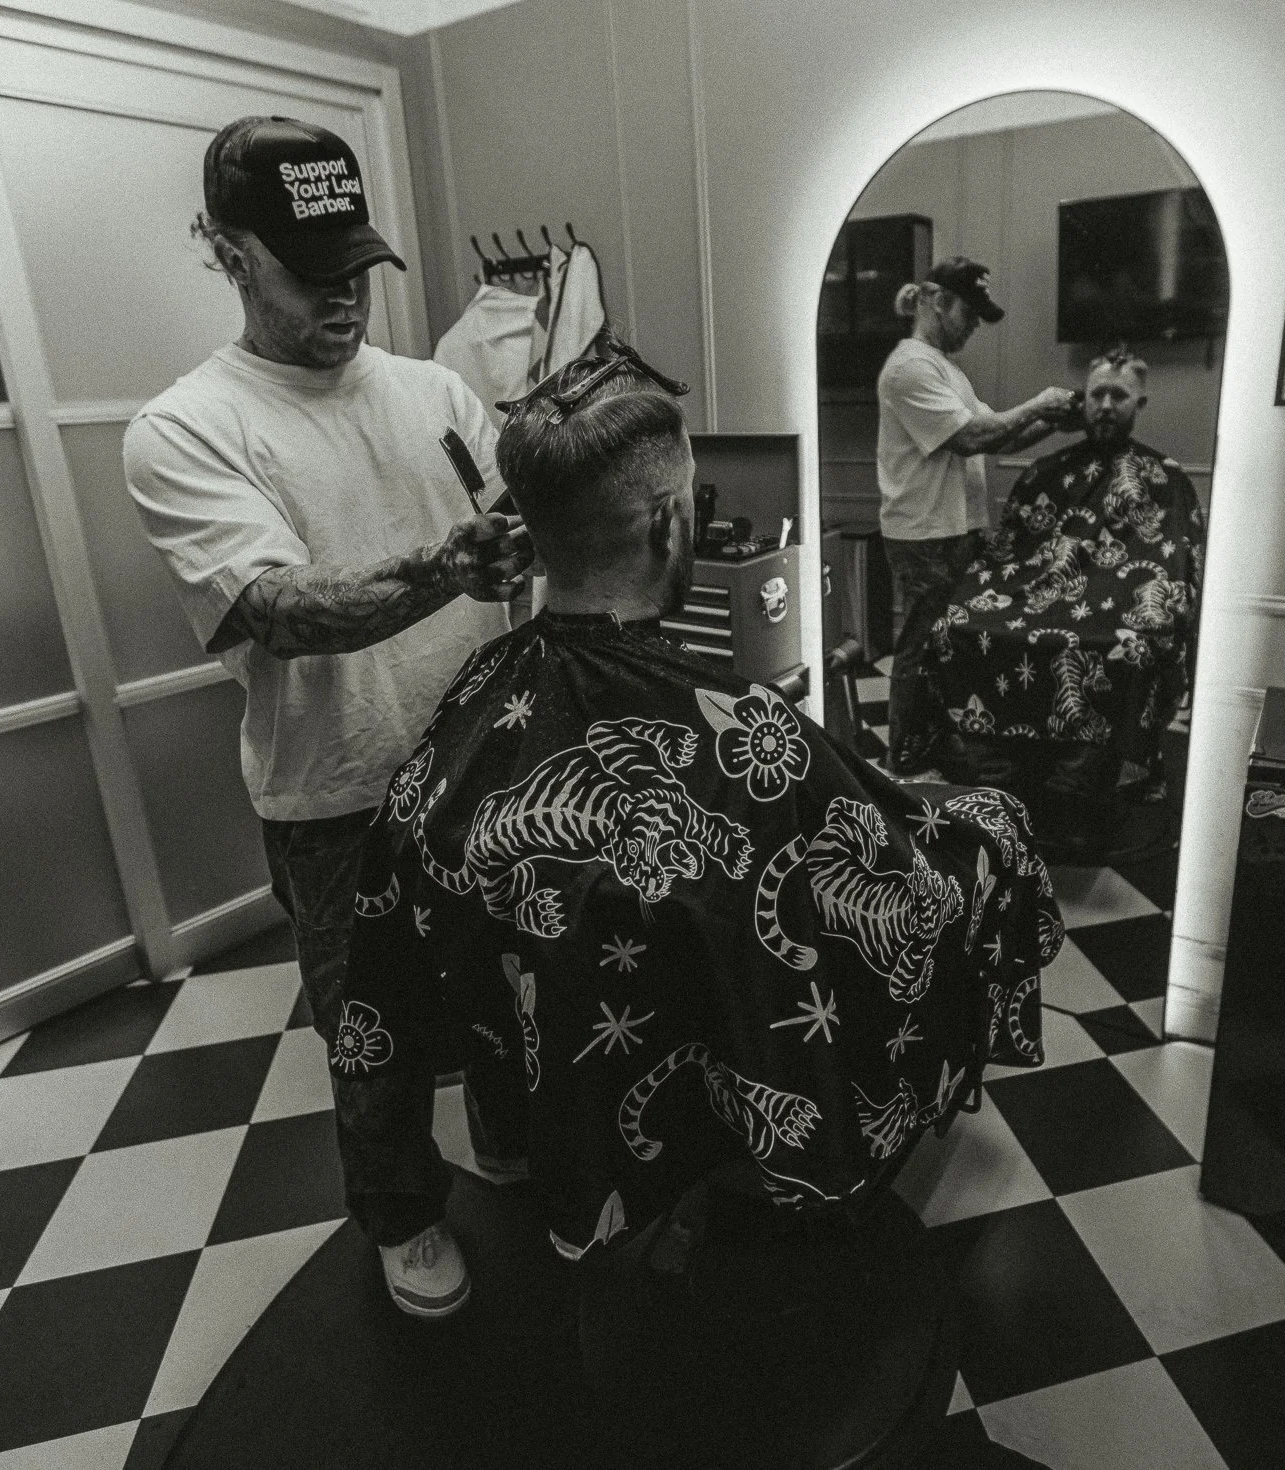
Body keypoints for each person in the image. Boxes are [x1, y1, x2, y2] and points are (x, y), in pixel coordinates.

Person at [335, 330, 1062, 1263]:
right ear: (670, 526)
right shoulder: (737, 728)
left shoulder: (476, 702)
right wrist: (979, 823)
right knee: (988, 831)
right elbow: (875, 876)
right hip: (698, 1024)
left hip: (558, 1038)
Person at [123, 116, 535, 1319]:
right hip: (336, 798)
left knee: (511, 988)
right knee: (376, 1035)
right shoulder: (187, 428)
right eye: (313, 273)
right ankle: (403, 1216)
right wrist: (445, 569)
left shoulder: (438, 390)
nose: (345, 295)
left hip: (482, 769)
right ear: (229, 252)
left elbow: (511, 524)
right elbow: (279, 612)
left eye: (357, 267)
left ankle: (512, 1146)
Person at [927, 346, 1205, 853]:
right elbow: (1007, 550)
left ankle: (1076, 784)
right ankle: (1002, 776)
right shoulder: (1046, 471)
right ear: (1081, 400)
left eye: (1117, 395)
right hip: (1034, 596)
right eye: (1096, 393)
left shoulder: (1166, 477)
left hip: (1118, 608)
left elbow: (1174, 569)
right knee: (956, 626)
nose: (1104, 405)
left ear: (1139, 402)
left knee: (1129, 647)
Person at [875, 257, 1079, 777]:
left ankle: (938, 739)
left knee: (948, 645)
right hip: (924, 533)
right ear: (938, 300)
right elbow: (970, 439)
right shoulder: (908, 368)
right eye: (970, 312)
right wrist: (1037, 404)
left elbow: (1000, 434)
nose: (974, 325)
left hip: (956, 528)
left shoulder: (948, 372)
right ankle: (903, 751)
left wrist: (1055, 421)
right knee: (921, 646)